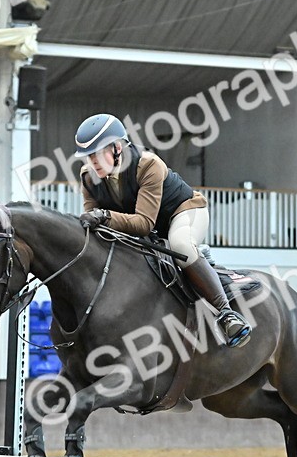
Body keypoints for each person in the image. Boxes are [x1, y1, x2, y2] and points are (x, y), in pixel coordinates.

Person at [73, 113, 251, 348]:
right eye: (88, 156)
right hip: (148, 228)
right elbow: (94, 227)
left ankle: (227, 314)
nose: (92, 162)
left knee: (180, 246)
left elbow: (143, 224)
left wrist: (104, 217)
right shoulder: (88, 177)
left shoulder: (147, 164)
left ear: (117, 147)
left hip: (183, 213)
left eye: (96, 154)